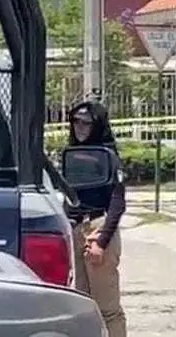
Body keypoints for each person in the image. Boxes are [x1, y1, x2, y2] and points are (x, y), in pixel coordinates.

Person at [67, 100, 127, 337]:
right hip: (76, 226)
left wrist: (101, 241)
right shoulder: (70, 154)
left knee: (108, 308)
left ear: (97, 125)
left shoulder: (107, 155)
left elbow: (118, 202)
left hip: (99, 227)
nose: (80, 127)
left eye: (86, 123)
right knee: (82, 305)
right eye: (75, 121)